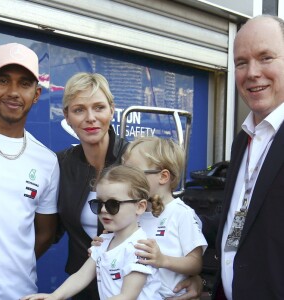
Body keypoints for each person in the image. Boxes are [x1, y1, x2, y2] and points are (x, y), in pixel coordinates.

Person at [178, 14, 284, 300]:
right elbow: (241, 222)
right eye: (241, 62)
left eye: (265, 57)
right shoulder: (244, 140)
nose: (251, 72)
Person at [0, 43, 59, 299]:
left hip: (20, 295)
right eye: (4, 81)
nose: (13, 92)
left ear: (36, 94)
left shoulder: (46, 161)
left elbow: (46, 232)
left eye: (24, 84)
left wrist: (11, 264)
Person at [22, 165, 162, 300]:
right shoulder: (104, 241)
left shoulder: (140, 248)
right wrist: (55, 296)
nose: (103, 210)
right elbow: (81, 276)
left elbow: (127, 296)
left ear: (140, 206)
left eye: (113, 204)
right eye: (98, 203)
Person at [56, 72, 128, 299]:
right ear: (66, 116)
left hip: (130, 286)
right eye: (79, 110)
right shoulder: (61, 164)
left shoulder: (134, 159)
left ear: (112, 110)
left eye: (99, 107)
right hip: (81, 288)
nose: (90, 118)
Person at [122, 136, 208, 299]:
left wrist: (163, 260)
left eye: (133, 173)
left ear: (163, 176)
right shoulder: (131, 212)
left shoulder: (182, 213)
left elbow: (195, 263)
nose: (127, 179)